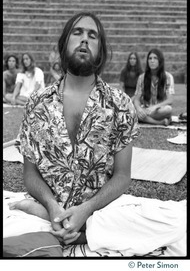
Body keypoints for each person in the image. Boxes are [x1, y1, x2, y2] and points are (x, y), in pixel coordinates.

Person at [7, 13, 185, 253]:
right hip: (50, 208)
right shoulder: (37, 102)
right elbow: (30, 174)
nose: (84, 40)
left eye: (93, 35)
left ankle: (74, 231)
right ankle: (68, 226)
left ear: (100, 50)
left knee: (175, 221)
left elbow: (122, 176)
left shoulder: (119, 103)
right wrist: (51, 206)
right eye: (77, 33)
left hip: (101, 211)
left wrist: (87, 208)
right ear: (64, 43)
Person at [133, 48, 175, 126]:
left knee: (168, 109)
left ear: (160, 61)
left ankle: (144, 119)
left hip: (159, 110)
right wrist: (139, 109)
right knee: (131, 110)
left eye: (155, 58)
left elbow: (170, 100)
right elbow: (136, 99)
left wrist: (155, 107)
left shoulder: (168, 77)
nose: (152, 61)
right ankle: (159, 122)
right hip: (145, 109)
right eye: (150, 58)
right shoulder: (142, 77)